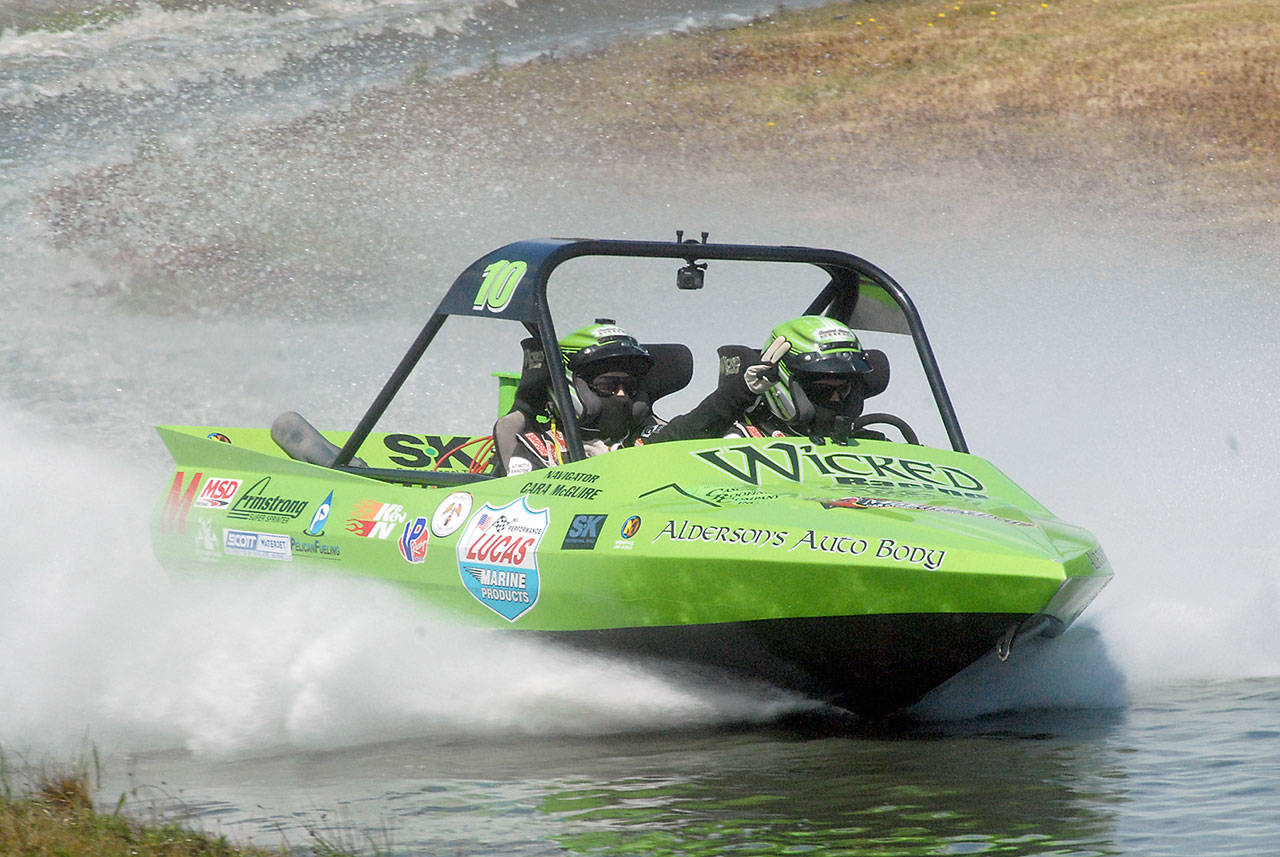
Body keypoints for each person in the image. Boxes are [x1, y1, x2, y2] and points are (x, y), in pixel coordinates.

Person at [641, 315, 884, 444]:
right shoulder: (737, 440)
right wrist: (738, 393)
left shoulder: (868, 444)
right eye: (822, 391)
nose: (834, 399)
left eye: (843, 392)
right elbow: (658, 453)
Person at [496, 319, 657, 474]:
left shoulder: (649, 438)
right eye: (608, 386)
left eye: (630, 386)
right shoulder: (539, 448)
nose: (622, 394)